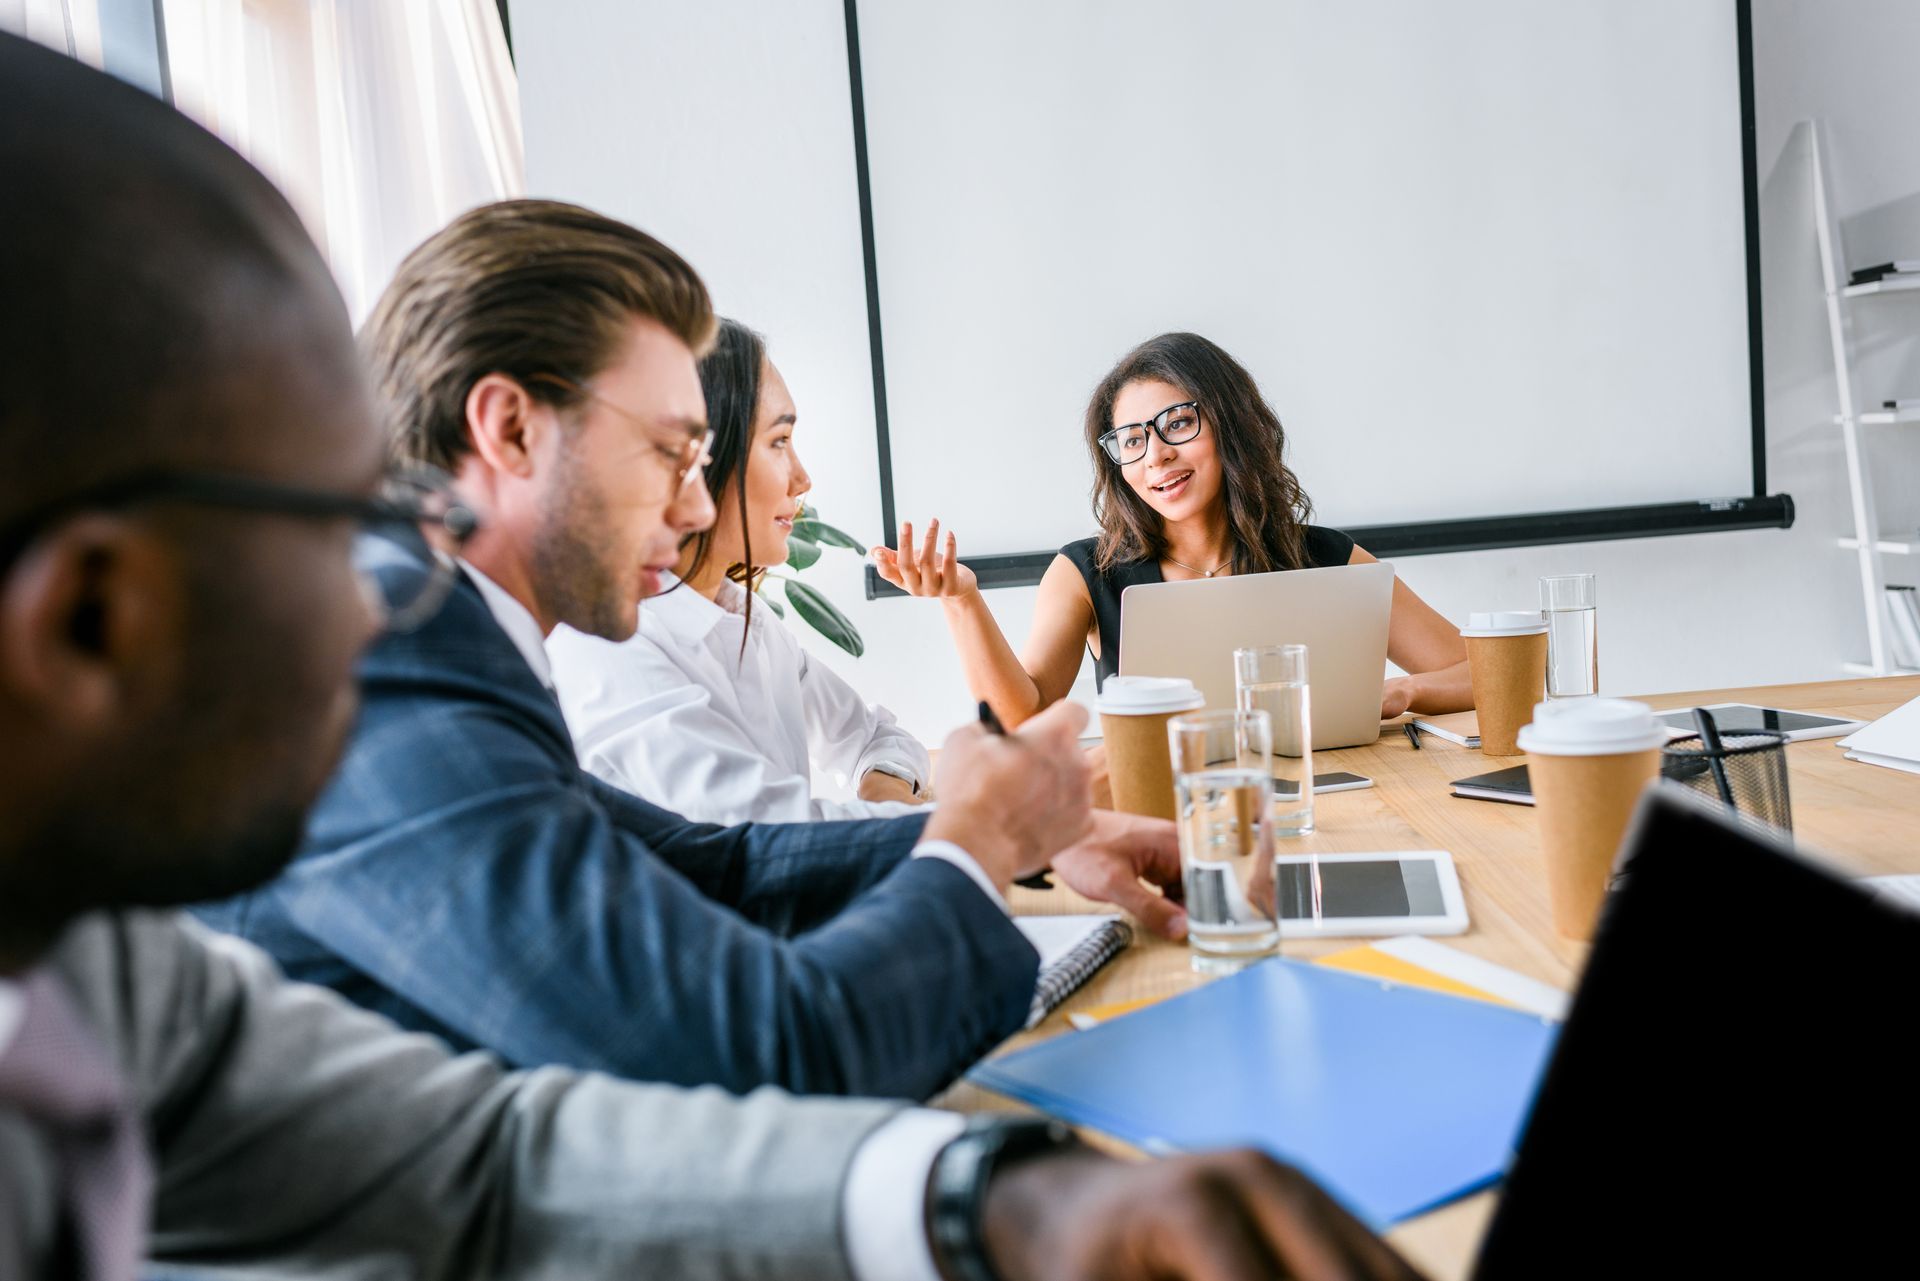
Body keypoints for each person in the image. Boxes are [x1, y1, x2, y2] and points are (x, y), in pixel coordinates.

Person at [0, 34, 1431, 1281]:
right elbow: (733, 1046)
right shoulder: (402, 666)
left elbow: (509, 1143)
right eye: (335, 516)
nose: (386, 574)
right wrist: (977, 844)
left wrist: (996, 1197)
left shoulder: (114, 985)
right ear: (83, 618)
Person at [195, 199, 1194, 1101]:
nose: (691, 503)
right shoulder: (378, 669)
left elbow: (713, 861)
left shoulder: (445, 632)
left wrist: (1024, 833)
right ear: (510, 430)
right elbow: (768, 1051)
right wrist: (971, 842)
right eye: (673, 453)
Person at [873, 331, 1474, 727]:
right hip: (1162, 811)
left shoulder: (1322, 556)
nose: (1154, 456)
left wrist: (1403, 693)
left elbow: (1483, 672)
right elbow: (1019, 717)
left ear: (1233, 426)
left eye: (1177, 423)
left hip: (1330, 801)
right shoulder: (1086, 573)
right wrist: (961, 603)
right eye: (1131, 440)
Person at [549, 318, 930, 823]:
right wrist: (968, 821)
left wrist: (884, 801)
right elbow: (769, 835)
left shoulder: (746, 620)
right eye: (778, 442)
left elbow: (881, 739)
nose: (802, 479)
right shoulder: (611, 644)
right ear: (701, 457)